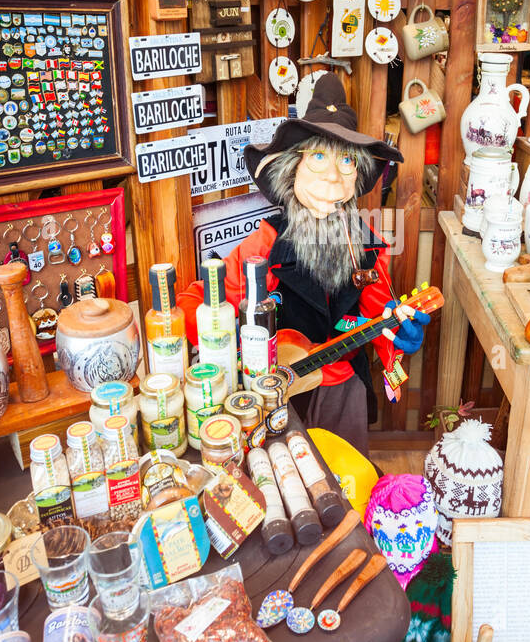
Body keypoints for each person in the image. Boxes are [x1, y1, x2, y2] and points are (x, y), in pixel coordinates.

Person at [178, 76, 428, 452]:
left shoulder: (368, 245)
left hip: (344, 387)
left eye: (346, 160)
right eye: (318, 157)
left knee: (345, 479)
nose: (333, 175)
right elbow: (202, 300)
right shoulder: (266, 243)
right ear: (292, 169)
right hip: (281, 393)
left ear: (358, 173)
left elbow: (380, 314)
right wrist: (226, 347)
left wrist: (398, 331)